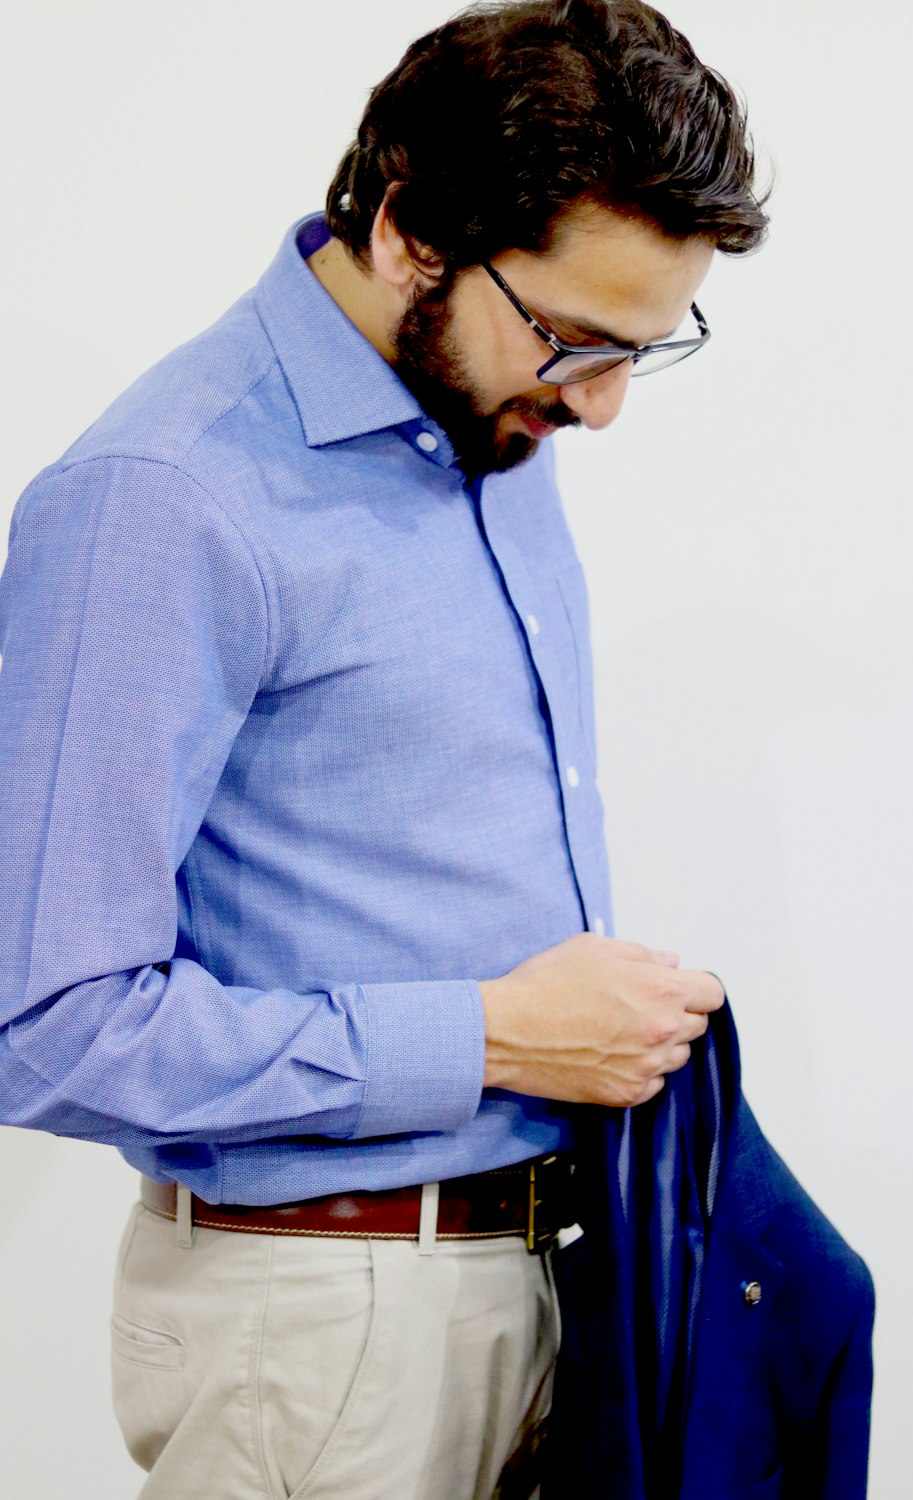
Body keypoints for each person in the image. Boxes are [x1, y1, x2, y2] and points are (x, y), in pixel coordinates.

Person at [0, 2, 768, 1495]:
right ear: (414, 228)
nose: (602, 407)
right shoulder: (161, 500)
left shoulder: (496, 418)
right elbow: (46, 1024)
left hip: (554, 1275)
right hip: (325, 1335)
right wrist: (489, 1036)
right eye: (576, 341)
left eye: (648, 351)